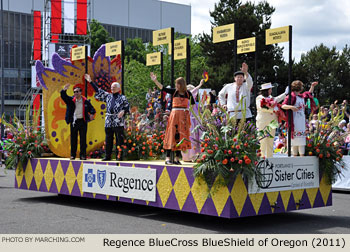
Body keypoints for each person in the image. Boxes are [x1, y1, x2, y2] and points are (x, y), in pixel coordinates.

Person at [150, 72, 195, 165]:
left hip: (183, 116)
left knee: (181, 136)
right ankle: (167, 158)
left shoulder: (188, 93)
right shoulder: (174, 91)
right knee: (172, 135)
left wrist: (188, 110)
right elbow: (163, 88)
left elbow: (193, 103)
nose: (176, 85)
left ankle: (177, 158)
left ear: (181, 84)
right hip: (174, 115)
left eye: (177, 84)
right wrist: (155, 81)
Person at [84, 74, 130, 161]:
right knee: (108, 138)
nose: (112, 88)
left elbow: (127, 106)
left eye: (114, 87)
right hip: (109, 120)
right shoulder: (108, 96)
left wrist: (123, 111)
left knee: (119, 138)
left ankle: (119, 156)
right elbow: (99, 91)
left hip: (118, 120)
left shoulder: (122, 97)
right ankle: (107, 156)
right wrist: (90, 81)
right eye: (112, 87)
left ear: (118, 88)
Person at [281, 81, 318, 156]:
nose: (302, 87)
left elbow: (308, 94)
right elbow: (283, 106)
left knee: (301, 142)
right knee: (294, 142)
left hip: (301, 121)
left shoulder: (301, 97)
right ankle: (295, 157)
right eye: (301, 86)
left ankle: (301, 157)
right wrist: (291, 107)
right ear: (298, 87)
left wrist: (312, 86)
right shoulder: (291, 96)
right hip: (294, 122)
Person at [60, 84, 96, 160]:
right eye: (74, 92)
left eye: (77, 92)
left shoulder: (85, 101)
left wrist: (92, 114)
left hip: (82, 121)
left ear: (80, 92)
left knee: (83, 139)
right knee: (73, 139)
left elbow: (92, 109)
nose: (75, 93)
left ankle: (82, 155)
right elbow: (64, 97)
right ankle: (73, 155)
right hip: (74, 122)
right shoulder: (71, 100)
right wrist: (64, 90)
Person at [256, 83, 288, 158]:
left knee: (270, 140)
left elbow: (277, 99)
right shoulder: (259, 98)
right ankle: (262, 157)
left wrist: (285, 94)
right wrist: (273, 109)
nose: (271, 90)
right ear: (266, 90)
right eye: (270, 89)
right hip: (262, 122)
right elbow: (261, 108)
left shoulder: (271, 97)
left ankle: (270, 157)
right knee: (262, 140)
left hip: (272, 122)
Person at [182, 79, 205, 162]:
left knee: (197, 137)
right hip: (189, 119)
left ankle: (197, 155)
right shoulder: (185, 97)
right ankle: (189, 156)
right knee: (191, 137)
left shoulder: (196, 102)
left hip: (195, 119)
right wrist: (200, 84)